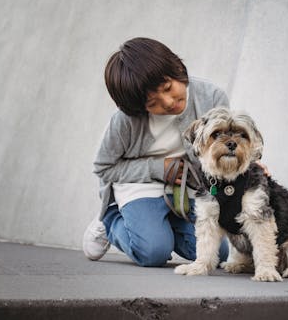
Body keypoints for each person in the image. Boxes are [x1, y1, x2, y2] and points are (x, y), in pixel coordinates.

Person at [82, 37, 230, 267]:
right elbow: (104, 167)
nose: (169, 102)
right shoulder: (124, 121)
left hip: (185, 188)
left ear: (177, 68)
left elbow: (220, 148)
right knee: (153, 252)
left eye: (168, 88)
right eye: (153, 103)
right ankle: (111, 221)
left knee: (217, 252)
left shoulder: (211, 97)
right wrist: (157, 168)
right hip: (139, 185)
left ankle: (160, 225)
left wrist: (247, 168)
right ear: (138, 108)